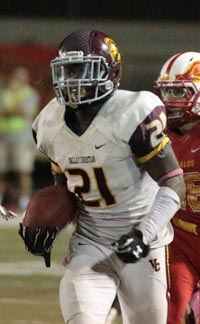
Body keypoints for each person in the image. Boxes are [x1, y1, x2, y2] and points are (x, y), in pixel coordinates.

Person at [20, 29, 185, 324]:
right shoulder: (48, 122)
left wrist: (143, 235)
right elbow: (65, 192)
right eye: (67, 71)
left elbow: (174, 183)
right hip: (90, 243)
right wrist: (47, 225)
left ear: (112, 72)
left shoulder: (134, 111)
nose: (73, 79)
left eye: (82, 69)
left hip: (143, 242)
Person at [155, 51, 200, 324]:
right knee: (168, 315)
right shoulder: (156, 133)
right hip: (179, 239)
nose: (170, 100)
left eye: (180, 92)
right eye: (167, 90)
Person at [0, 65, 40, 212]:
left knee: (23, 171)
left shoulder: (30, 94)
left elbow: (24, 111)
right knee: (1, 172)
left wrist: (14, 99)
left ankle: (24, 203)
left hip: (22, 140)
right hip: (3, 138)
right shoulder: (3, 93)